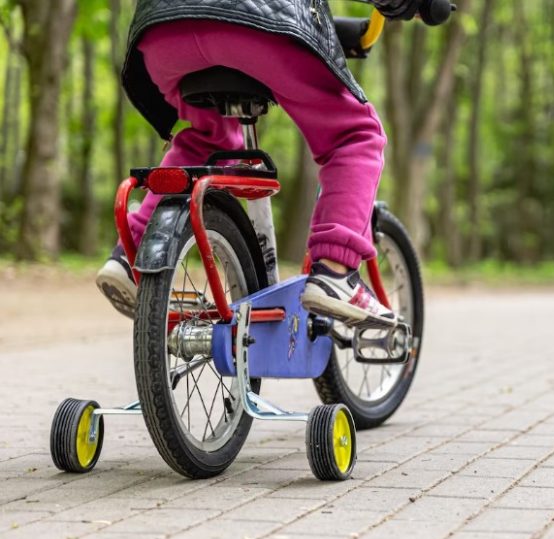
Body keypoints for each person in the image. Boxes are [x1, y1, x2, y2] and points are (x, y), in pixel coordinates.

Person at [95, 0, 421, 327]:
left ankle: (132, 253)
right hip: (254, 26)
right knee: (355, 134)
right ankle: (335, 270)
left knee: (211, 135)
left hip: (163, 31)